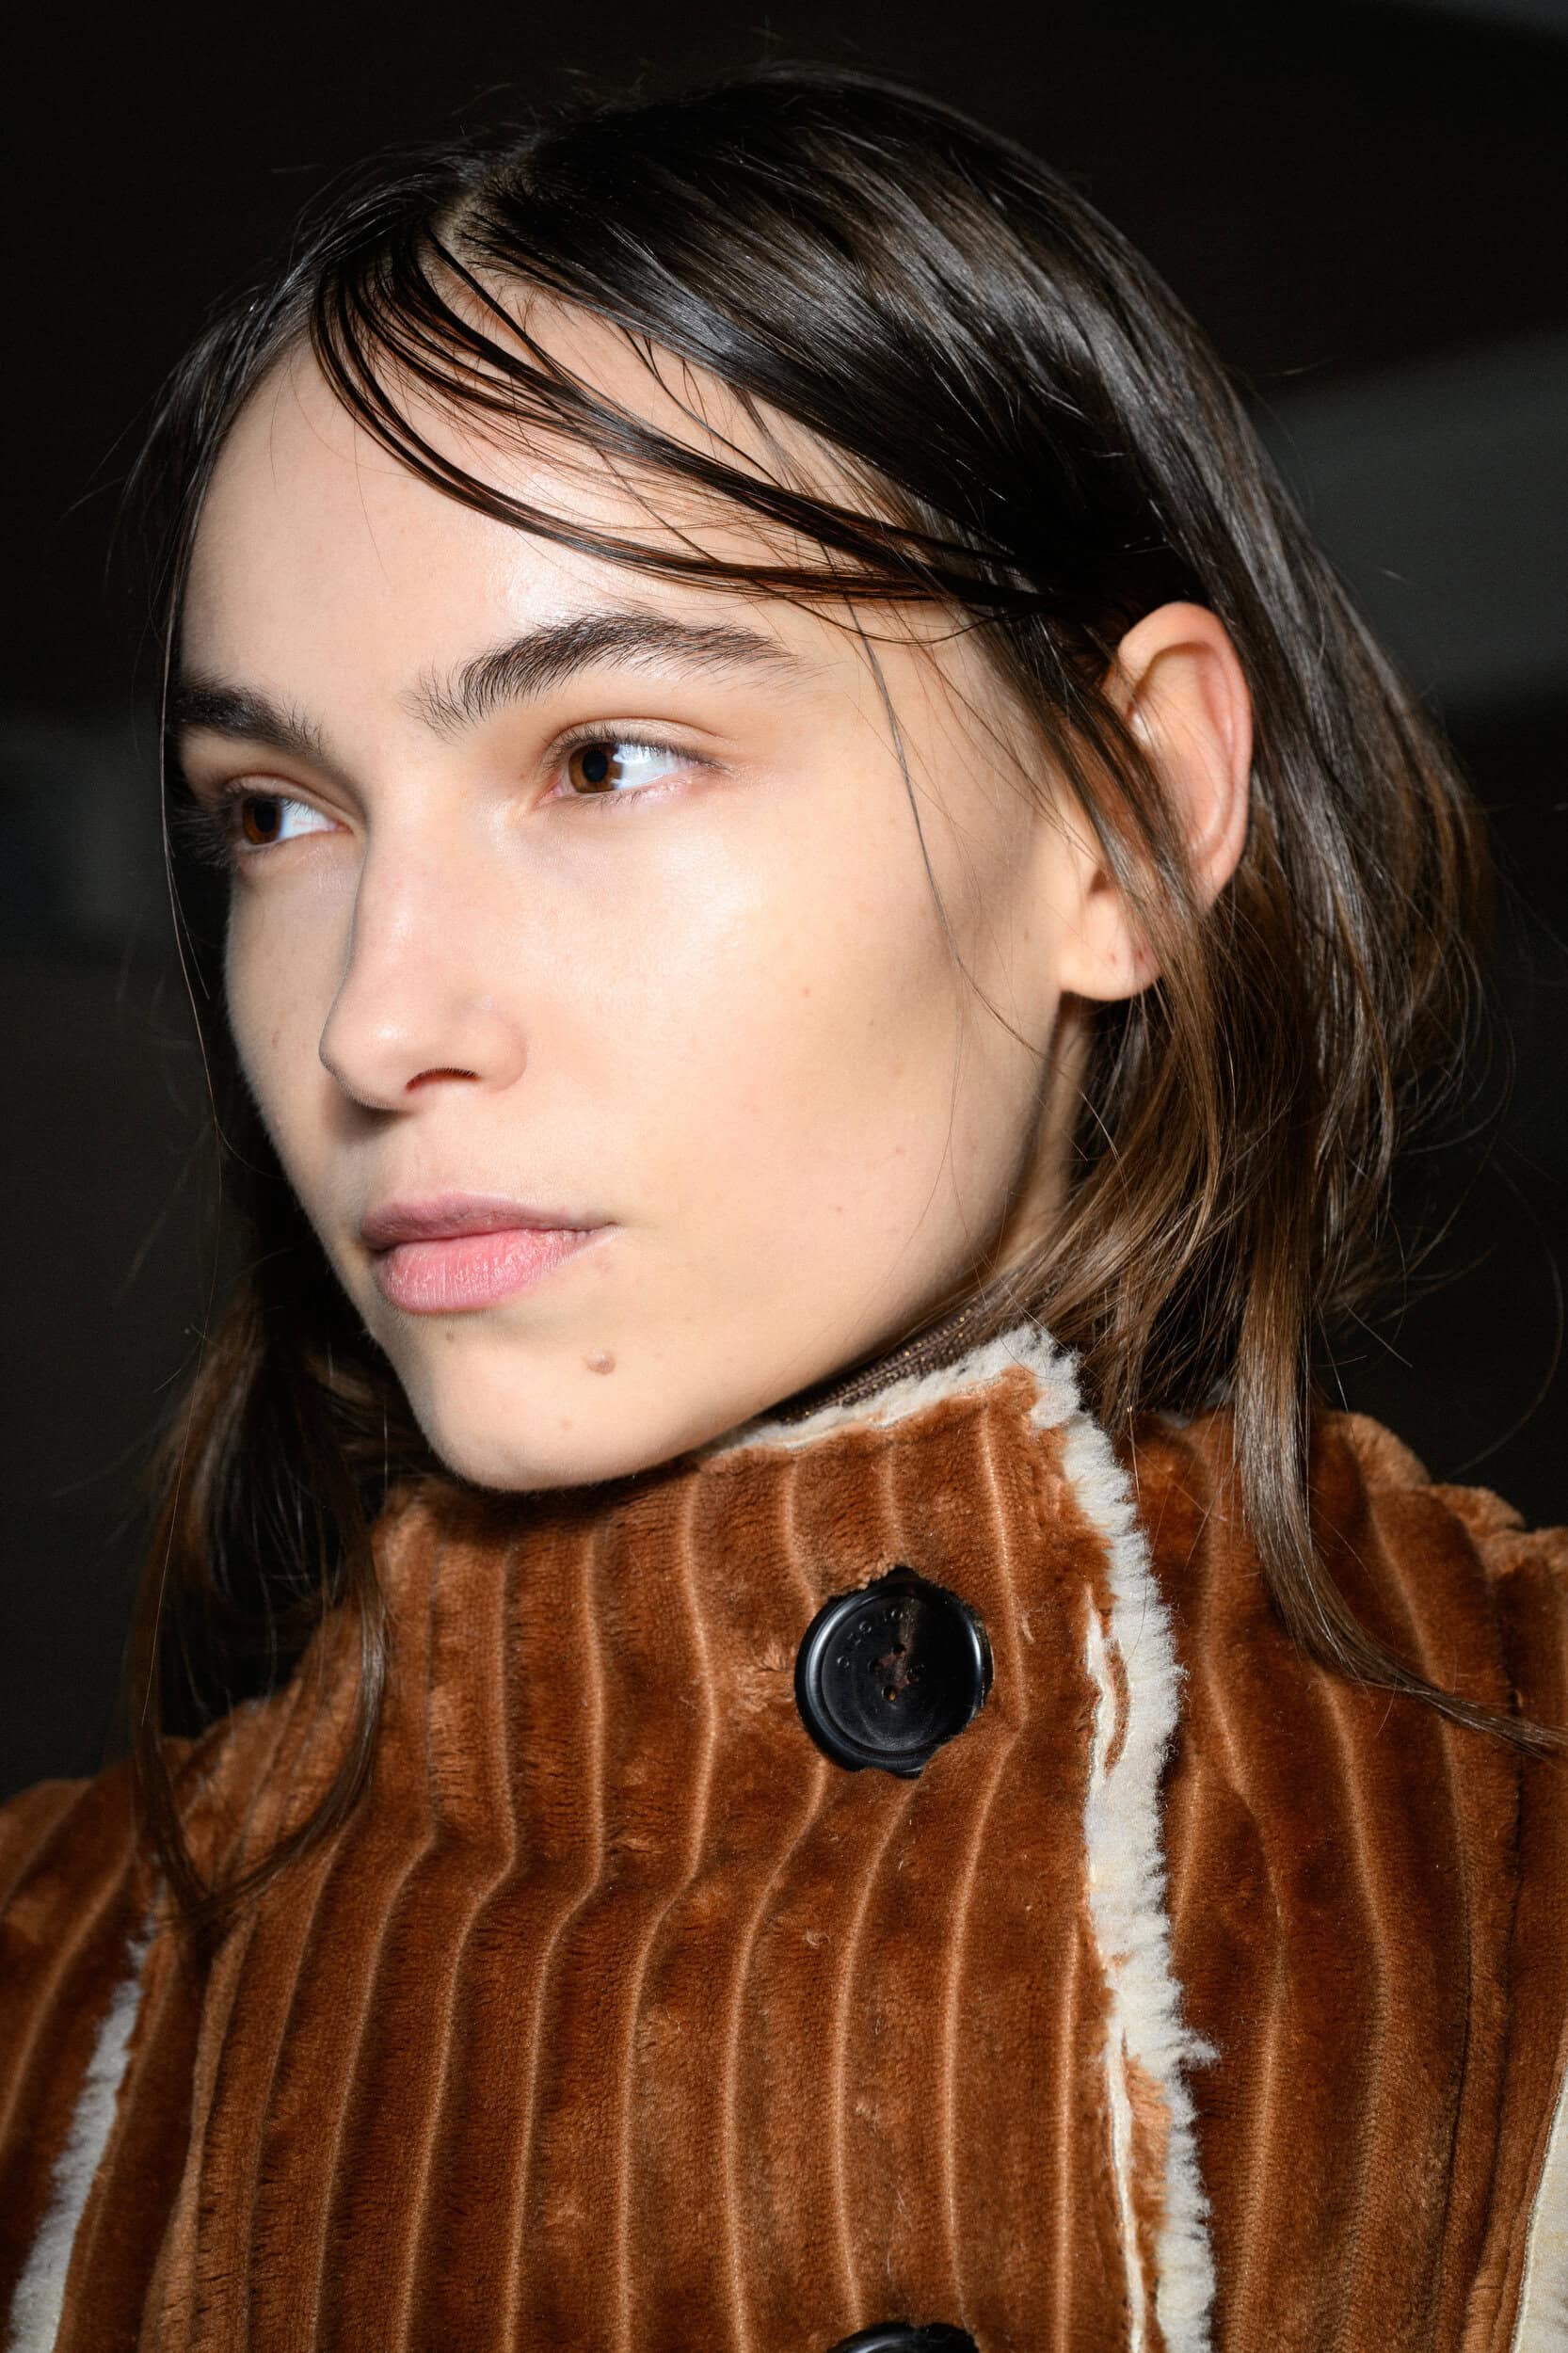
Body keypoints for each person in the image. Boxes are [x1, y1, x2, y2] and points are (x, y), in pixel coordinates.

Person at [1, 62, 1562, 2353]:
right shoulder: (44, 2010)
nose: (369, 1018)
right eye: (275, 811)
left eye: (601, 756)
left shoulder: (1515, 1854)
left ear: (1126, 818)